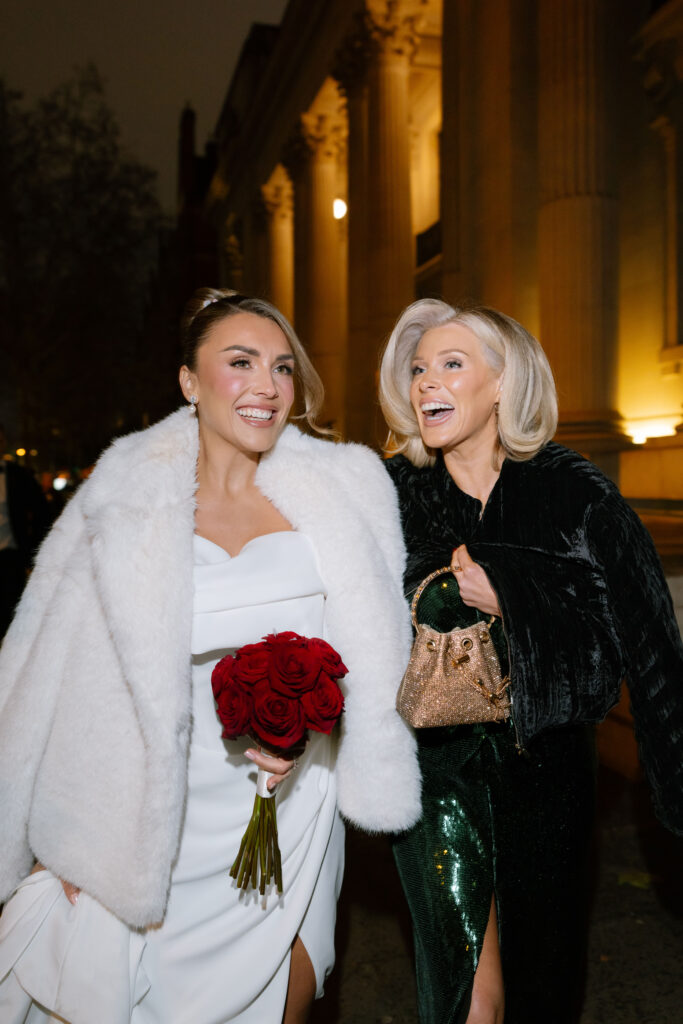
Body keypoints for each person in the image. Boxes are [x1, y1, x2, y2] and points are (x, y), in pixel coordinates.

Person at [0, 289, 421, 1024]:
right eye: (240, 362)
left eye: (282, 368)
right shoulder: (123, 498)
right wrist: (52, 832)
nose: (266, 385)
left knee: (283, 994)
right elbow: (44, 673)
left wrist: (321, 726)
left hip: (293, 800)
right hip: (151, 809)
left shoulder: (345, 489)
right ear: (189, 383)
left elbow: (374, 650)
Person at [378, 298, 683, 1024]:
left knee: (543, 978)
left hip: (546, 770)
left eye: (451, 365)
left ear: (502, 385)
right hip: (434, 772)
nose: (426, 382)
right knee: (464, 992)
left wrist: (512, 597)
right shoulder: (391, 494)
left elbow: (637, 642)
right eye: (419, 368)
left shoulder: (573, 495)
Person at [0, 426, 50, 639]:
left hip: (11, 557)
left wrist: (33, 549)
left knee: (12, 617)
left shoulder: (19, 476)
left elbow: (42, 513)